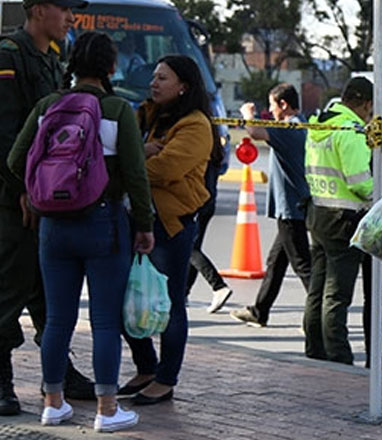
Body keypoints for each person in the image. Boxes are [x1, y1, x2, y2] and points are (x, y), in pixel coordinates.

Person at [7, 31, 154, 432]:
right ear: (111, 67)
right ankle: (108, 410)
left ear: (71, 63)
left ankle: (52, 403)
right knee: (105, 320)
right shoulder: (117, 110)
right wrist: (144, 224)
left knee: (57, 319)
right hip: (103, 222)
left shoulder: (47, 106)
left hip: (53, 225)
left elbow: (16, 158)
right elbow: (137, 175)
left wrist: (41, 192)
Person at [0, 0, 94, 416]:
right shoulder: (6, 57)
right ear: (40, 9)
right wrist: (25, 189)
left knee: (50, 290)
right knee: (10, 283)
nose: (70, 18)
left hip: (48, 195)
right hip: (16, 198)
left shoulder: (52, 58)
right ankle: (0, 378)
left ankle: (59, 371)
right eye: (65, 9)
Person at [119, 55, 215, 405]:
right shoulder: (145, 115)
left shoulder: (195, 125)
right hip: (132, 219)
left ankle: (166, 378)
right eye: (154, 77)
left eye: (163, 78)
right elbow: (118, 150)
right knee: (121, 298)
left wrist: (134, 157)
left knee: (169, 303)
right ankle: (146, 366)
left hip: (169, 224)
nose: (154, 83)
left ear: (183, 86)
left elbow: (166, 169)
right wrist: (140, 150)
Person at [302, 77, 374, 366]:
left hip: (319, 211)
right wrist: (380, 196)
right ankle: (338, 355)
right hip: (345, 217)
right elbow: (360, 182)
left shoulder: (320, 123)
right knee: (337, 294)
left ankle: (315, 347)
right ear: (367, 104)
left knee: (318, 288)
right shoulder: (350, 130)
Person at [229, 83, 311, 327]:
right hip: (293, 205)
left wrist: (247, 114)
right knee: (276, 262)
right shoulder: (302, 124)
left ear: (283, 105)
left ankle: (320, 318)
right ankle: (259, 310)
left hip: (291, 208)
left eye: (272, 106)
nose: (271, 111)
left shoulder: (290, 128)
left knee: (304, 266)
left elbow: (255, 132)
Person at [186, 135, 231, 314]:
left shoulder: (197, 141)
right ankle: (184, 292)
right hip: (208, 201)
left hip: (197, 201)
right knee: (194, 245)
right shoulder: (213, 142)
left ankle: (218, 286)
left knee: (188, 247)